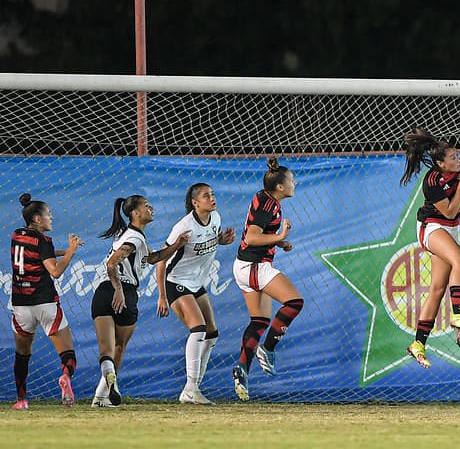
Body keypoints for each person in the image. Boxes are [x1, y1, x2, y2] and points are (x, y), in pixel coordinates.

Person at [91, 195, 189, 408]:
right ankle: (108, 389)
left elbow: (153, 259)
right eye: (146, 206)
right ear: (135, 213)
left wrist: (177, 244)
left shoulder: (132, 236)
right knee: (120, 345)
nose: (151, 208)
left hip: (101, 291)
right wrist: (119, 290)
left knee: (106, 350)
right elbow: (112, 262)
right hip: (123, 290)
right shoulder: (134, 239)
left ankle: (101, 396)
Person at [399, 127, 460, 368]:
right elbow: (451, 209)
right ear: (440, 164)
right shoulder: (431, 182)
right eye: (452, 158)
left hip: (451, 228)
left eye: (457, 155)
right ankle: (458, 314)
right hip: (431, 226)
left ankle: (418, 343)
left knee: (437, 288)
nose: (458, 159)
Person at [156, 183, 236, 405]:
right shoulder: (183, 227)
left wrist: (222, 240)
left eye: (212, 194)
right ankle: (191, 388)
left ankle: (192, 389)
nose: (212, 198)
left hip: (196, 283)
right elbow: (161, 260)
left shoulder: (216, 218)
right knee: (198, 328)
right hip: (175, 283)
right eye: (206, 196)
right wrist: (162, 296)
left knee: (212, 333)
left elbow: (209, 238)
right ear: (194, 203)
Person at [231, 158, 305, 400]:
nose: (295, 183)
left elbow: (257, 233)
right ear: (281, 187)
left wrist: (278, 241)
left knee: (260, 321)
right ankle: (268, 349)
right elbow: (252, 238)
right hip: (254, 266)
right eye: (291, 180)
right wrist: (281, 234)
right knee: (294, 303)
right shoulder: (269, 204)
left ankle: (242, 368)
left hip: (244, 266)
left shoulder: (266, 198)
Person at [9, 193, 83, 410]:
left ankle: (22, 400)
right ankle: (65, 377)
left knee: (22, 355)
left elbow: (41, 253)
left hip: (21, 305)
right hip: (45, 303)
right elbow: (55, 271)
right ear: (38, 219)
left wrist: (63, 250)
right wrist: (70, 254)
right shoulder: (43, 240)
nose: (51, 217)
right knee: (68, 355)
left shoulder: (16, 235)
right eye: (48, 214)